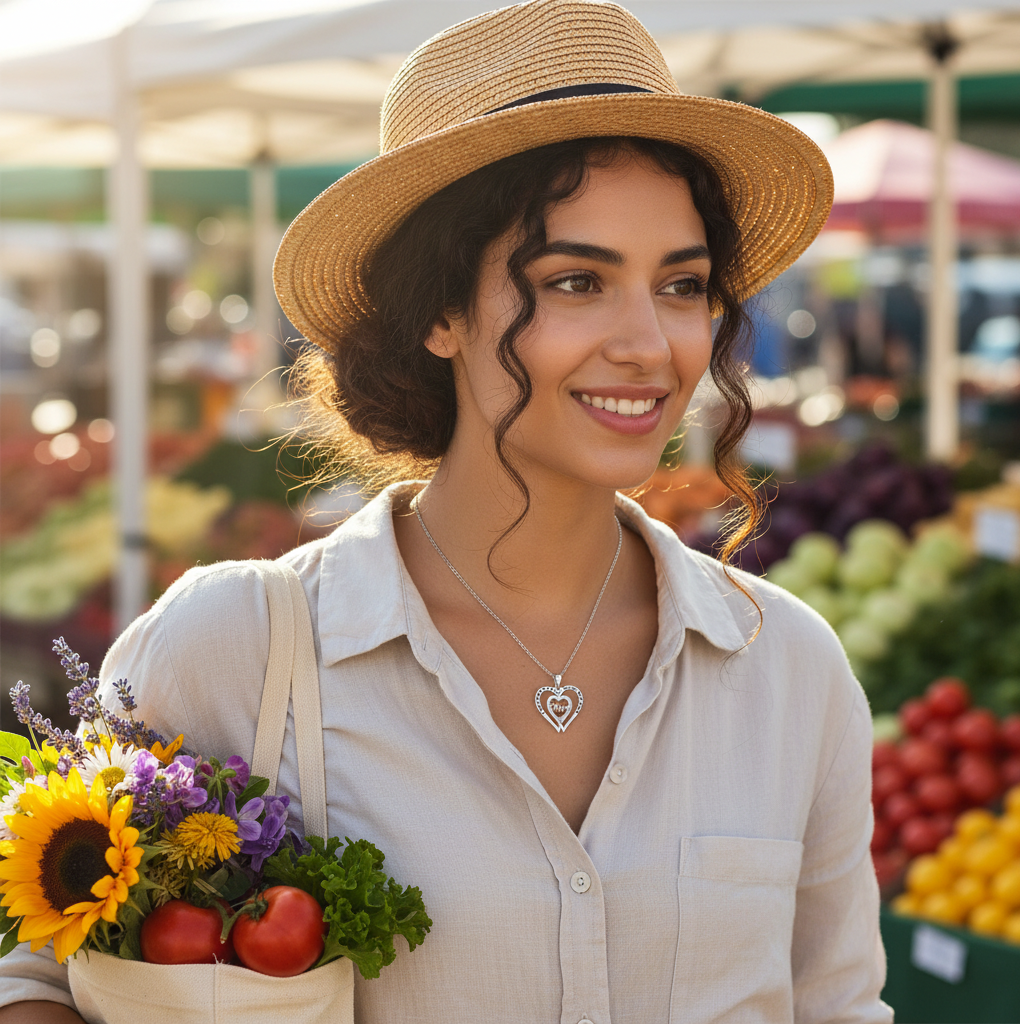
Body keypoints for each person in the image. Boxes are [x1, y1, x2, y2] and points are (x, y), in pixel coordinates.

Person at [0, 1, 892, 1021]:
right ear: (438, 310)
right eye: (575, 280)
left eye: (682, 285)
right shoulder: (236, 650)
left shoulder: (789, 670)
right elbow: (38, 977)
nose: (651, 343)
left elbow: (840, 1004)